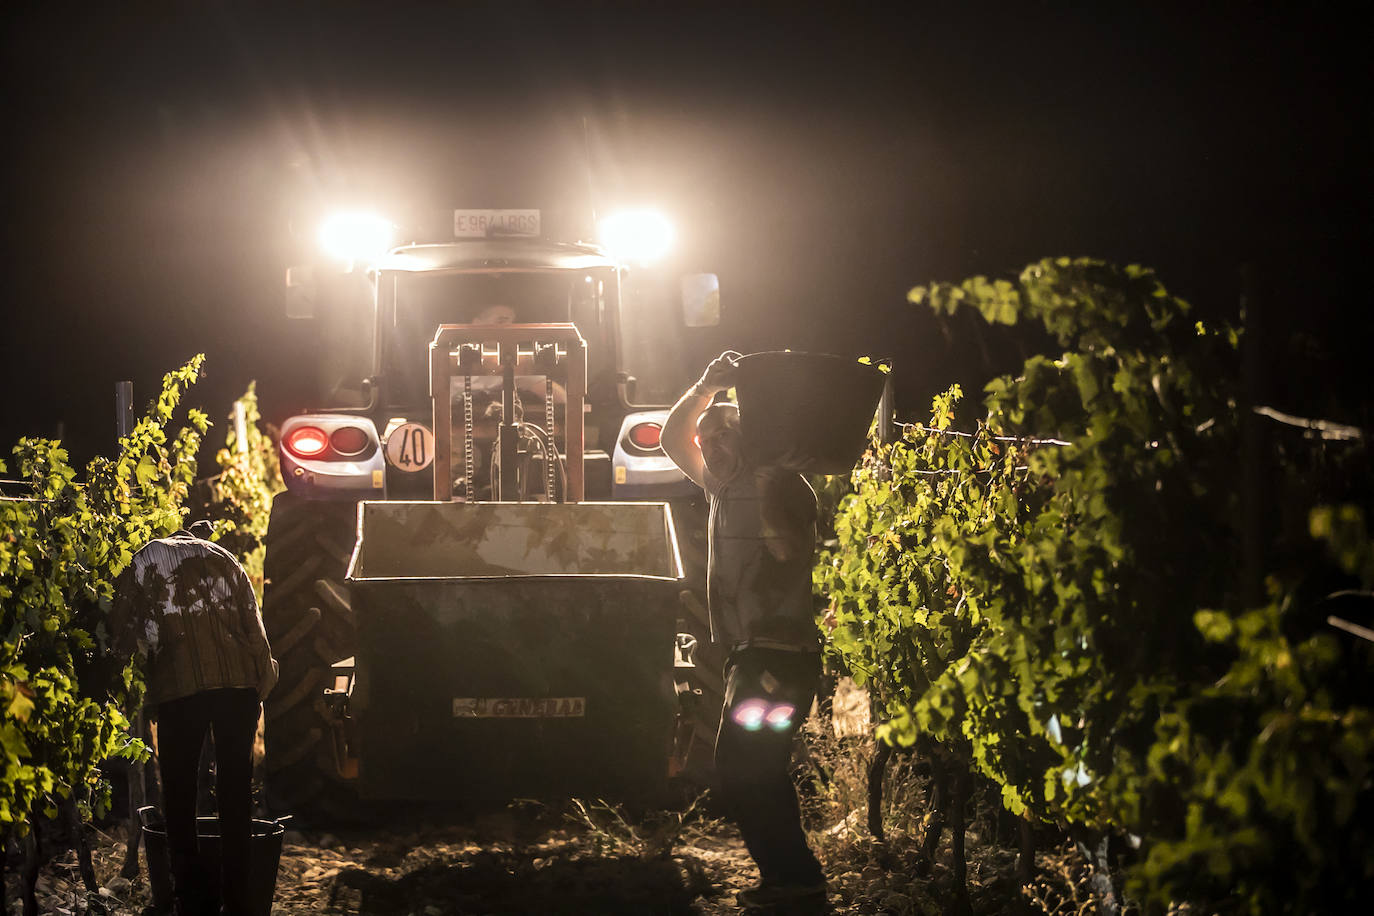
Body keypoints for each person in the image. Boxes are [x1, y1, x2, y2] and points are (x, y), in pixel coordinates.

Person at [661, 352, 827, 911]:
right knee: (751, 765)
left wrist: (769, 481)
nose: (709, 446)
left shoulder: (783, 484)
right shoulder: (721, 486)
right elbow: (671, 439)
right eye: (706, 439)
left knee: (744, 764)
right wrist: (705, 388)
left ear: (750, 438)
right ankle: (790, 878)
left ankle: (795, 878)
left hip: (780, 654)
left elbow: (788, 550)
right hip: (749, 653)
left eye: (723, 436)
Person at [111, 520, 279, 916]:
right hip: (238, 686)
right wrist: (260, 683)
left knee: (180, 793)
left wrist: (135, 687)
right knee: (236, 794)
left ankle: (190, 898)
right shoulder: (225, 558)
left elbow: (129, 633)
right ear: (196, 539)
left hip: (180, 688)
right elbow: (254, 628)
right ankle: (237, 901)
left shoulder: (145, 559)